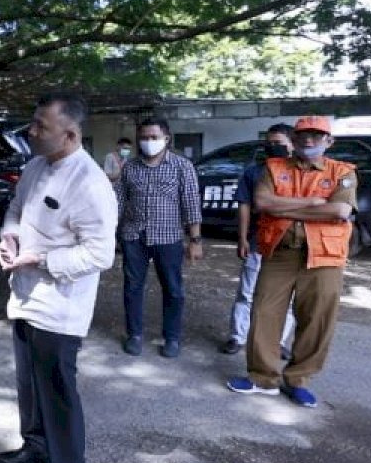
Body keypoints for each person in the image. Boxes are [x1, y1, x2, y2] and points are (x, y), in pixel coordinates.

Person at [0, 94, 117, 463]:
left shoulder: (90, 182)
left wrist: (41, 260)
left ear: (69, 134)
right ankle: (36, 445)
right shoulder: (33, 167)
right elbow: (14, 211)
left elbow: (100, 254)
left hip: (61, 306)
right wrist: (9, 240)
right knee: (28, 381)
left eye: (40, 125)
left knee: (58, 392)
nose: (31, 130)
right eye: (33, 122)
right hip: (25, 295)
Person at [227, 116, 356, 408]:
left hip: (324, 255)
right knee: (264, 312)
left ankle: (298, 379)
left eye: (316, 135)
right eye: (303, 135)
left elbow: (340, 210)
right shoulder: (273, 168)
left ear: (329, 141)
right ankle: (263, 378)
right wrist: (313, 203)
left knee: (317, 319)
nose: (308, 140)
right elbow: (262, 203)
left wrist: (285, 209)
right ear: (294, 140)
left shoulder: (343, 172)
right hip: (280, 252)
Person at [118, 117, 203, 358]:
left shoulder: (181, 166)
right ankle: (134, 334)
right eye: (144, 137)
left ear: (166, 139)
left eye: (154, 137)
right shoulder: (131, 167)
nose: (148, 142)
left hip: (168, 238)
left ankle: (172, 338)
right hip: (134, 236)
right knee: (132, 288)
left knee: (173, 290)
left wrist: (195, 241)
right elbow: (119, 201)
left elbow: (191, 204)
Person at [220, 124, 296, 357]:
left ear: (292, 144)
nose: (273, 147)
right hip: (257, 240)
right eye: (270, 142)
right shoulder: (254, 172)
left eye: (279, 143)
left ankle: (279, 341)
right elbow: (244, 205)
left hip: (290, 243)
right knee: (247, 292)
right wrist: (242, 238)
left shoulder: (301, 172)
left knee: (287, 297)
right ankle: (238, 336)